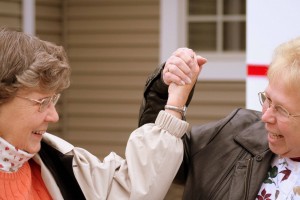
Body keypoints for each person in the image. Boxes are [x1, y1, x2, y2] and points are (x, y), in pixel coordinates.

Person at [0, 27, 207, 200]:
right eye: (42, 102)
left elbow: (132, 189)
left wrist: (172, 100)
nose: (53, 117)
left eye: (53, 100)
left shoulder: (59, 163)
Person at [139, 37, 300, 200]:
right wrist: (164, 92)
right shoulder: (238, 132)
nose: (265, 117)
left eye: (281, 110)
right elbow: (164, 162)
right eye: (268, 99)